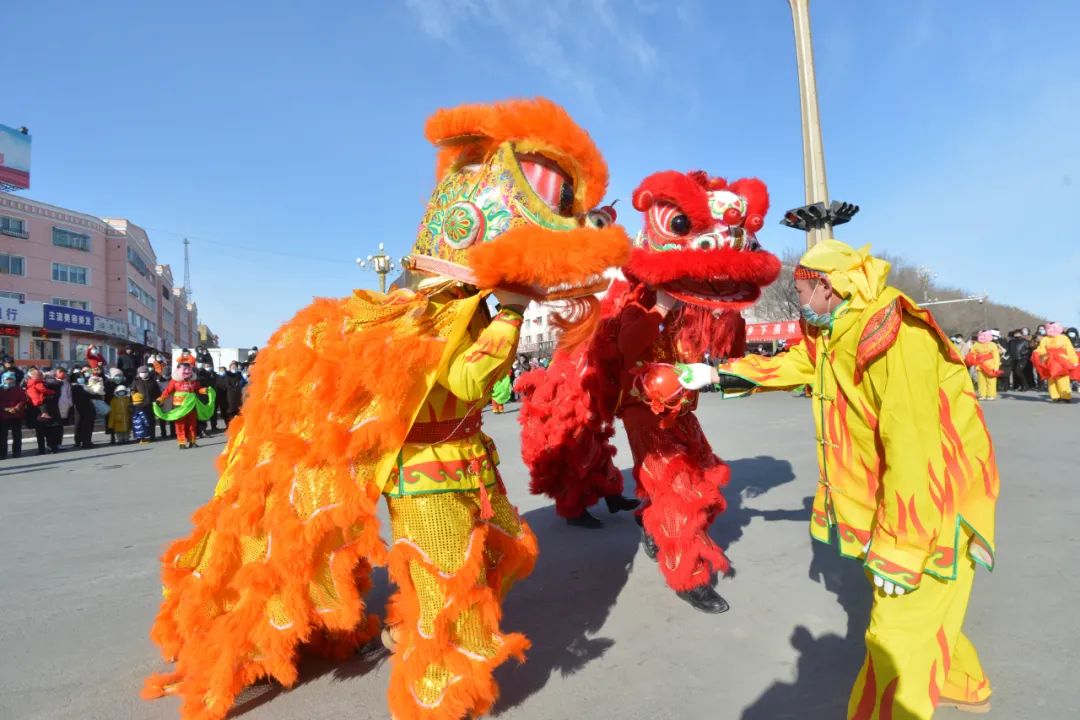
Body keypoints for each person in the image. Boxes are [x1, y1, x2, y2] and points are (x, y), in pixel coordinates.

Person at [142, 98, 630, 720]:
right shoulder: (433, 315)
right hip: (426, 475)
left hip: (468, 460)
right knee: (446, 592)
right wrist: (507, 311)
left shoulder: (458, 308)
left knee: (495, 553)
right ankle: (441, 695)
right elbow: (466, 375)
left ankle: (414, 642)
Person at [709, 240, 997, 717]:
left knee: (894, 635)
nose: (799, 302)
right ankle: (965, 685)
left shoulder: (894, 335)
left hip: (935, 504)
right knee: (929, 610)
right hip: (902, 499)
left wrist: (903, 547)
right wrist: (716, 376)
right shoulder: (838, 329)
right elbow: (798, 364)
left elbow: (915, 447)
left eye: (802, 291)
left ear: (827, 286)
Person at [518, 170, 780, 614]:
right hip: (642, 406)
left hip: (680, 406)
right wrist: (659, 307)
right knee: (673, 485)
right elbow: (627, 344)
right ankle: (688, 573)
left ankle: (647, 519)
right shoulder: (637, 299)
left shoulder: (693, 302)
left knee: (702, 472)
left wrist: (724, 316)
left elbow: (725, 347)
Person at [155, 362, 214, 449]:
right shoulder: (175, 381)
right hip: (179, 406)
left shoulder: (193, 380)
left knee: (192, 424)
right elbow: (167, 391)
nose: (187, 371)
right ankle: (181, 442)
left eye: (189, 369)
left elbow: (198, 389)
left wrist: (205, 390)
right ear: (178, 370)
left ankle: (192, 441)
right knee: (180, 424)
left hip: (191, 405)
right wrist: (160, 400)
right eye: (185, 369)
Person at [1033, 322, 1077, 402]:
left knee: (1062, 378)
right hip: (1049, 360)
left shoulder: (1064, 338)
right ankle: (1055, 396)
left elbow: (1069, 349)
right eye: (1049, 328)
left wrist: (1074, 360)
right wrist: (1037, 352)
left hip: (1061, 360)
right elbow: (1041, 348)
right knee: (1051, 378)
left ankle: (1065, 396)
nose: (1051, 330)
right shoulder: (1045, 339)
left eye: (1053, 328)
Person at [26, 369, 62, 454]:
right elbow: (45, 391)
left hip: (37, 408)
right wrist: (51, 393)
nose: (42, 377)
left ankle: (43, 449)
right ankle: (51, 448)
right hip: (40, 408)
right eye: (40, 375)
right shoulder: (39, 383)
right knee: (47, 430)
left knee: (42, 431)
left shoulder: (30, 383)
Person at [965, 331, 1002, 400]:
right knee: (981, 381)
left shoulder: (992, 345)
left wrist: (996, 367)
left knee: (991, 381)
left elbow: (996, 356)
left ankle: (991, 395)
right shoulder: (976, 344)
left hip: (990, 365)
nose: (982, 337)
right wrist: (972, 360)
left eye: (984, 336)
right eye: (980, 335)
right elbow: (972, 354)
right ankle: (982, 394)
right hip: (979, 365)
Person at [0, 370, 26, 459]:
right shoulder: (1, 389)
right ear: (3, 379)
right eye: (7, 379)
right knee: (3, 436)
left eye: (11, 379)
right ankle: (3, 453)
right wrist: (5, 408)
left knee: (17, 435)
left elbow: (23, 400)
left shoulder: (18, 389)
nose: (9, 381)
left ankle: (17, 452)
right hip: (3, 416)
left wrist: (17, 407)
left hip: (16, 415)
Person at [132, 366, 161, 440]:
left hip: (151, 404)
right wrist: (135, 400)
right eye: (142, 372)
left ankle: (152, 436)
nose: (144, 374)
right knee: (141, 421)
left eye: (145, 372)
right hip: (140, 405)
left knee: (151, 420)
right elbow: (133, 391)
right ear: (139, 373)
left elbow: (158, 392)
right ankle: (141, 437)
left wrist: (158, 401)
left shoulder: (153, 381)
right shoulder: (136, 381)